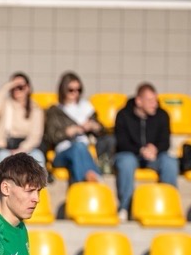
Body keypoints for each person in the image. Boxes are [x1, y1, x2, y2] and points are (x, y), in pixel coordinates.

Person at [110, 84, 178, 218]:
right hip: (130, 154)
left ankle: (169, 203)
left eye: (155, 100)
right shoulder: (123, 115)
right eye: (150, 101)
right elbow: (121, 142)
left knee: (169, 162)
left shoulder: (162, 115)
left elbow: (165, 141)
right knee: (126, 162)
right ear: (139, 101)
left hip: (154, 156)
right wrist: (141, 150)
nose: (154, 104)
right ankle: (125, 207)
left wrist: (155, 149)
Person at [46, 72, 103, 183]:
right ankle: (96, 180)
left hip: (84, 151)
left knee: (80, 148)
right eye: (71, 90)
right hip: (62, 152)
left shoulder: (86, 107)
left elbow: (102, 130)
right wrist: (68, 132)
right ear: (63, 90)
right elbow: (50, 136)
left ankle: (85, 181)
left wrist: (93, 126)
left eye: (78, 90)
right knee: (78, 147)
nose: (75, 93)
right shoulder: (55, 111)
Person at [0, 74, 45, 163]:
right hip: (5, 147)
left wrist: (22, 149)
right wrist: (6, 87)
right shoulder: (5, 104)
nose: (16, 90)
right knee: (2, 157)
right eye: (13, 87)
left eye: (20, 87)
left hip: (27, 148)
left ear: (28, 88)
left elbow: (36, 134)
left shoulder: (35, 108)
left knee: (38, 157)